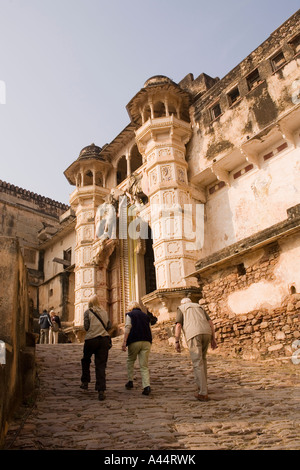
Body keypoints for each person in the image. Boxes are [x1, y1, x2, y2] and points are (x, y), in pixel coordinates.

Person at [174, 298, 217, 402]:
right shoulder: (199, 307)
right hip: (206, 332)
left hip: (193, 333)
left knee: (197, 362)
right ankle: (203, 387)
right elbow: (210, 322)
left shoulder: (181, 308)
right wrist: (213, 338)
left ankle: (203, 392)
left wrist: (176, 341)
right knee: (203, 359)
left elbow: (178, 325)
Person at [80, 295, 112, 401]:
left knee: (86, 360)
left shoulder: (87, 312)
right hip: (103, 339)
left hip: (91, 339)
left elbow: (86, 327)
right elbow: (108, 326)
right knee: (101, 365)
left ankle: (85, 382)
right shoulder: (105, 312)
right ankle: (101, 390)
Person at [122, 301, 153, 396]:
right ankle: (146, 386)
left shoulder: (130, 315)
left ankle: (130, 381)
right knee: (144, 365)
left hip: (134, 341)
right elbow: (149, 329)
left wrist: (124, 342)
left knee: (130, 360)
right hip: (146, 341)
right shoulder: (145, 316)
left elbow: (127, 328)